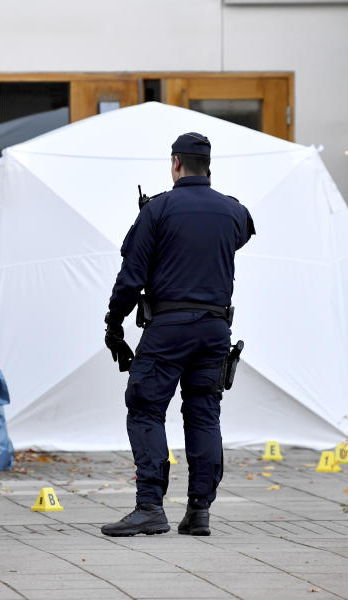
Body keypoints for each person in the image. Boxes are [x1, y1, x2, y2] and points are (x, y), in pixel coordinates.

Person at [101, 131, 255, 537]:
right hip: (215, 330)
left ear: (175, 163)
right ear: (208, 166)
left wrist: (114, 323)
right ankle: (199, 511)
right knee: (204, 412)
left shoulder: (158, 211)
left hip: (168, 328)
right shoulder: (231, 212)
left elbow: (131, 277)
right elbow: (243, 227)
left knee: (147, 408)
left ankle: (150, 506)